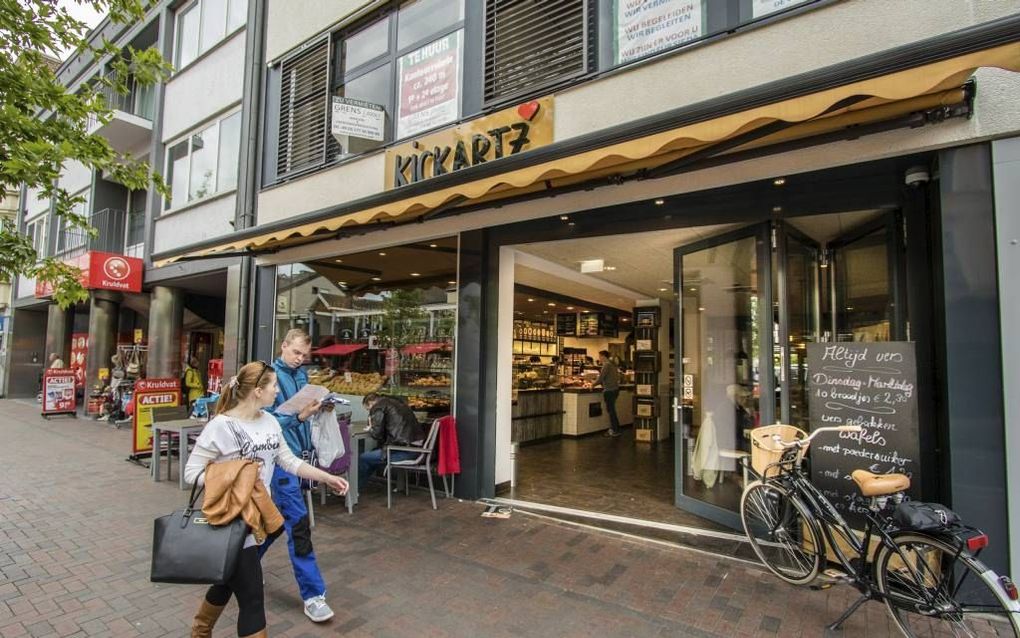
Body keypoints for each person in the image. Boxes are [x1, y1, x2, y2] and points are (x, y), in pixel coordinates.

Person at [183, 361, 348, 638]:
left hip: (258, 517)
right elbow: (192, 472)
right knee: (252, 598)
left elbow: (288, 461)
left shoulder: (269, 421)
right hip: (230, 520)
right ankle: (200, 631)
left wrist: (325, 477)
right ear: (258, 391)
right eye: (273, 386)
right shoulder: (221, 425)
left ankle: (200, 630)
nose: (277, 391)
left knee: (226, 581)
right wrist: (236, 476)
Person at [261, 329, 336, 623]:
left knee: (277, 524)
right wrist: (300, 416)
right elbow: (266, 420)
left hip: (298, 458)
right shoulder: (268, 378)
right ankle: (313, 595)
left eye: (305, 356)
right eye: (296, 353)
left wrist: (319, 409)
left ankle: (240, 565)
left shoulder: (302, 376)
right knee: (299, 524)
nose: (300, 360)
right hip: (280, 461)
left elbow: (303, 413)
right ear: (283, 346)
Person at [359, 393, 425, 491]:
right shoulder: (398, 402)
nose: (369, 412)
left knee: (363, 458)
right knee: (372, 455)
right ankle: (357, 487)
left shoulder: (378, 407)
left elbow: (377, 434)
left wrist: (371, 428)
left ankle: (353, 490)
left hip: (404, 451)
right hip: (416, 449)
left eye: (368, 409)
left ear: (370, 403)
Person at [595, 350, 621, 437]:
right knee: (612, 410)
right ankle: (616, 429)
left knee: (611, 411)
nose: (599, 359)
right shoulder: (613, 365)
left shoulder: (606, 365)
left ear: (603, 356)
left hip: (609, 390)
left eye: (599, 356)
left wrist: (592, 385)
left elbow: (601, 378)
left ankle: (614, 430)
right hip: (615, 389)